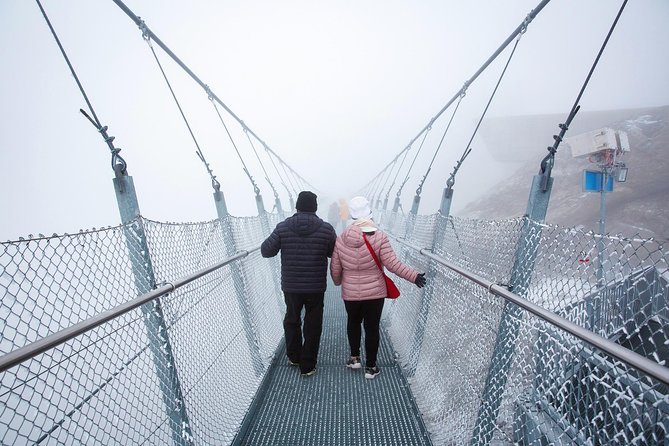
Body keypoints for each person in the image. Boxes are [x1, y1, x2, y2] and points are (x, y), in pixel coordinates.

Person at [330, 196, 426, 379]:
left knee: (353, 323)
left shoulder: (341, 239)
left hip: (350, 292)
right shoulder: (380, 237)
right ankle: (371, 367)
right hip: (375, 293)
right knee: (372, 327)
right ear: (370, 214)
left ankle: (355, 358)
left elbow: (335, 267)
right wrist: (413, 276)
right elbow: (392, 264)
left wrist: (337, 282)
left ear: (351, 215)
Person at [261, 190, 337, 377]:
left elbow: (266, 251)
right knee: (313, 323)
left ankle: (294, 356)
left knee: (292, 319)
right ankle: (308, 365)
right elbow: (333, 252)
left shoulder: (283, 227)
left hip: (291, 285)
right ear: (316, 208)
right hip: (315, 286)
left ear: (297, 206)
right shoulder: (326, 229)